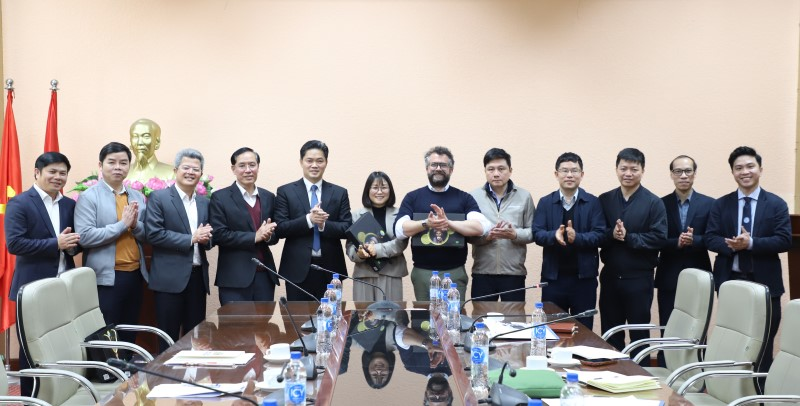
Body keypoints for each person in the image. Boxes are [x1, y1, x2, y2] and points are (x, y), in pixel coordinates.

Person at [706, 146, 791, 372]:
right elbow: (710, 238)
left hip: (766, 284)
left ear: (760, 169)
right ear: (733, 172)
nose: (745, 172)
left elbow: (784, 240)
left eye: (750, 166)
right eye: (739, 168)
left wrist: (751, 243)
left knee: (764, 342)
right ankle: (731, 387)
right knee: (733, 340)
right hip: (731, 281)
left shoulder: (776, 204)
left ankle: (761, 389)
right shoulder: (720, 204)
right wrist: (732, 244)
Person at [5, 152, 80, 396]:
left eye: (63, 173)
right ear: (37, 173)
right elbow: (15, 244)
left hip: (63, 287)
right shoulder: (20, 203)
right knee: (31, 349)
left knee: (61, 346)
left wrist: (72, 246)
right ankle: (31, 398)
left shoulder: (69, 204)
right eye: (52, 172)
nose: (58, 177)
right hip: (32, 289)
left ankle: (58, 396)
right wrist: (55, 243)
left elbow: (73, 243)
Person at [75, 142, 148, 344]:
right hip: (106, 278)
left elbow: (147, 235)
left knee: (130, 330)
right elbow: (85, 236)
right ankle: (109, 366)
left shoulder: (137, 197)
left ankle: (127, 364)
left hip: (135, 274)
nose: (118, 167)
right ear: (100, 165)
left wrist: (135, 225)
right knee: (107, 333)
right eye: (112, 162)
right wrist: (122, 225)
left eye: (123, 163)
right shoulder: (89, 197)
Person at [394, 146, 490, 301]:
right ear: (427, 168)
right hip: (422, 272)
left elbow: (482, 227)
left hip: (454, 272)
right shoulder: (413, 197)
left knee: (454, 314)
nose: (438, 168)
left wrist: (449, 223)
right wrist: (426, 223)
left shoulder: (464, 198)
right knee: (425, 315)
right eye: (434, 165)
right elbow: (399, 230)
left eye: (443, 165)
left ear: (451, 170)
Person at [598, 148, 667, 355]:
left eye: (634, 169)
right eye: (623, 168)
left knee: (639, 335)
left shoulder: (654, 202)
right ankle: (611, 373)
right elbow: (597, 234)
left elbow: (659, 238)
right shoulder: (605, 199)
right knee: (610, 334)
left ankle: (641, 373)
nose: (628, 173)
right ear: (616, 169)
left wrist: (629, 237)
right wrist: (612, 234)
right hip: (610, 277)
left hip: (639, 279)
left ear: (642, 171)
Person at [144, 149, 213, 350]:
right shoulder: (159, 197)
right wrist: (191, 238)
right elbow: (154, 234)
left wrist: (207, 238)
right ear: (175, 170)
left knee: (196, 337)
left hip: (197, 278)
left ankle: (193, 370)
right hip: (169, 279)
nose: (191, 172)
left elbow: (209, 237)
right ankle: (165, 370)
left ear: (201, 174)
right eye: (186, 167)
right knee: (168, 338)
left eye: (196, 169)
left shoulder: (204, 202)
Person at [532, 152, 605, 329]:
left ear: (582, 174)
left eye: (574, 171)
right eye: (564, 171)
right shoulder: (545, 202)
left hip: (584, 280)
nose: (570, 175)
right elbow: (537, 233)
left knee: (583, 331)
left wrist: (577, 237)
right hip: (553, 280)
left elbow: (600, 235)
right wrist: (553, 236)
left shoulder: (593, 202)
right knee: (553, 330)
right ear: (556, 174)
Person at [275, 140, 353, 301]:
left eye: (319, 161)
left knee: (331, 314)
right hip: (296, 268)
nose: (314, 165)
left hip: (330, 268)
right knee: (298, 315)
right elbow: (281, 228)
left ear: (326, 162)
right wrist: (309, 220)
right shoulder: (285, 191)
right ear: (301, 162)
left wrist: (323, 224)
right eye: (309, 160)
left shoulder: (339, 192)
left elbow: (347, 228)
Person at [209, 147, 279, 304]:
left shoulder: (268, 196)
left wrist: (268, 236)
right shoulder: (220, 197)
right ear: (233, 169)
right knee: (235, 321)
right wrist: (255, 236)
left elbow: (275, 235)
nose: (248, 170)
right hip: (234, 278)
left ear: (258, 167)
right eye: (242, 165)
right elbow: (219, 234)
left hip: (264, 275)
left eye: (252, 165)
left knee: (264, 320)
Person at [469, 148, 535, 302]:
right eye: (491, 169)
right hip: (482, 272)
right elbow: (468, 235)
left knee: (514, 316)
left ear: (510, 171)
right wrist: (487, 237)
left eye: (501, 169)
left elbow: (533, 232)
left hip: (514, 273)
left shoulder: (524, 196)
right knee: (481, 316)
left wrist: (515, 234)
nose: (496, 174)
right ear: (485, 171)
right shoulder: (473, 197)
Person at [656, 155, 713, 328]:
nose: (683, 176)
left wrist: (694, 240)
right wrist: (677, 243)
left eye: (688, 171)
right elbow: (655, 240)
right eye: (678, 171)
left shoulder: (710, 204)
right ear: (671, 174)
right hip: (669, 273)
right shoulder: (659, 204)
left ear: (695, 173)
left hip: (699, 272)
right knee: (668, 326)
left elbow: (714, 238)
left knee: (697, 329)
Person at [346, 171, 408, 301]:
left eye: (384, 187)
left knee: (391, 313)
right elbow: (350, 247)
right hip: (364, 274)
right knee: (363, 313)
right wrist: (359, 254)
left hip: (392, 273)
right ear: (367, 190)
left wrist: (376, 249)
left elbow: (401, 243)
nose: (379, 192)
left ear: (390, 190)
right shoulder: (356, 215)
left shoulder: (400, 214)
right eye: (375, 187)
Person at [127, 118, 174, 182]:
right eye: (135, 136)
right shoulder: (122, 173)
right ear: (130, 142)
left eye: (146, 136)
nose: (139, 142)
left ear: (157, 142)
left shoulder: (172, 174)